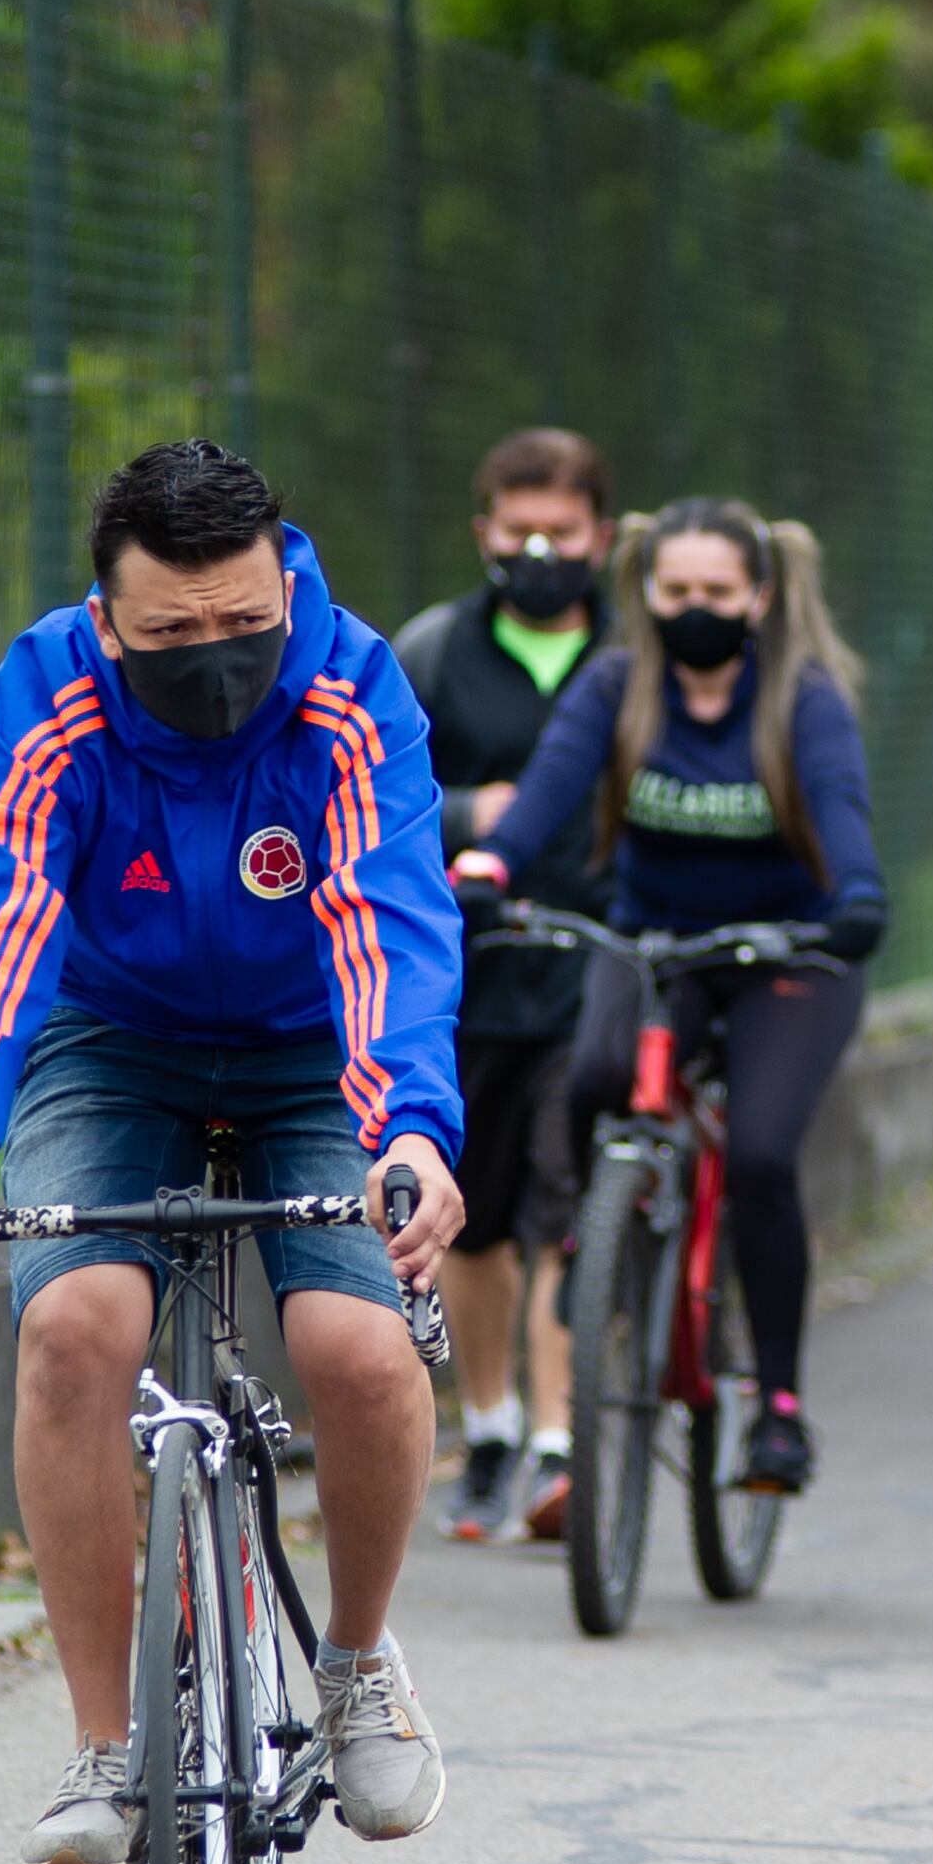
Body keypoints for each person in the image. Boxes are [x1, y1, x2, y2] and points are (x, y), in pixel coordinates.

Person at [0, 440, 467, 1864]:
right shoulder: (47, 695)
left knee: (360, 1347)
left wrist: (407, 1126)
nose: (216, 656)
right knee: (75, 1327)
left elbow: (385, 915)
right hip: (113, 1039)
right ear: (106, 618)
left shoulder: (350, 688)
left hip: (315, 1044)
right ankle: (106, 1748)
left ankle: (356, 1664)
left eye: (244, 622)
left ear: (285, 589)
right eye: (171, 633)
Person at [456, 498, 887, 1498]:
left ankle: (778, 1409)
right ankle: (598, 1237)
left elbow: (840, 805)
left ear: (759, 597)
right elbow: (549, 788)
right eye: (677, 588)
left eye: (718, 591)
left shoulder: (801, 696)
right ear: (647, 591)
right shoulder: (619, 685)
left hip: (791, 949)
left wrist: (859, 897)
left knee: (762, 1156)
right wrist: (492, 862)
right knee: (598, 1074)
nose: (696, 607)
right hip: (658, 940)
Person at [390, 428, 616, 1546]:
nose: (539, 552)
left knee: (566, 1208)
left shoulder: (636, 655)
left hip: (596, 968)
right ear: (484, 532)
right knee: (472, 1224)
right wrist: (474, 813)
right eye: (518, 531)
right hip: (465, 972)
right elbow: (371, 793)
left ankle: (559, 1450)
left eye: (560, 532)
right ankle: (488, 1430)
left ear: (601, 537)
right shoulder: (431, 653)